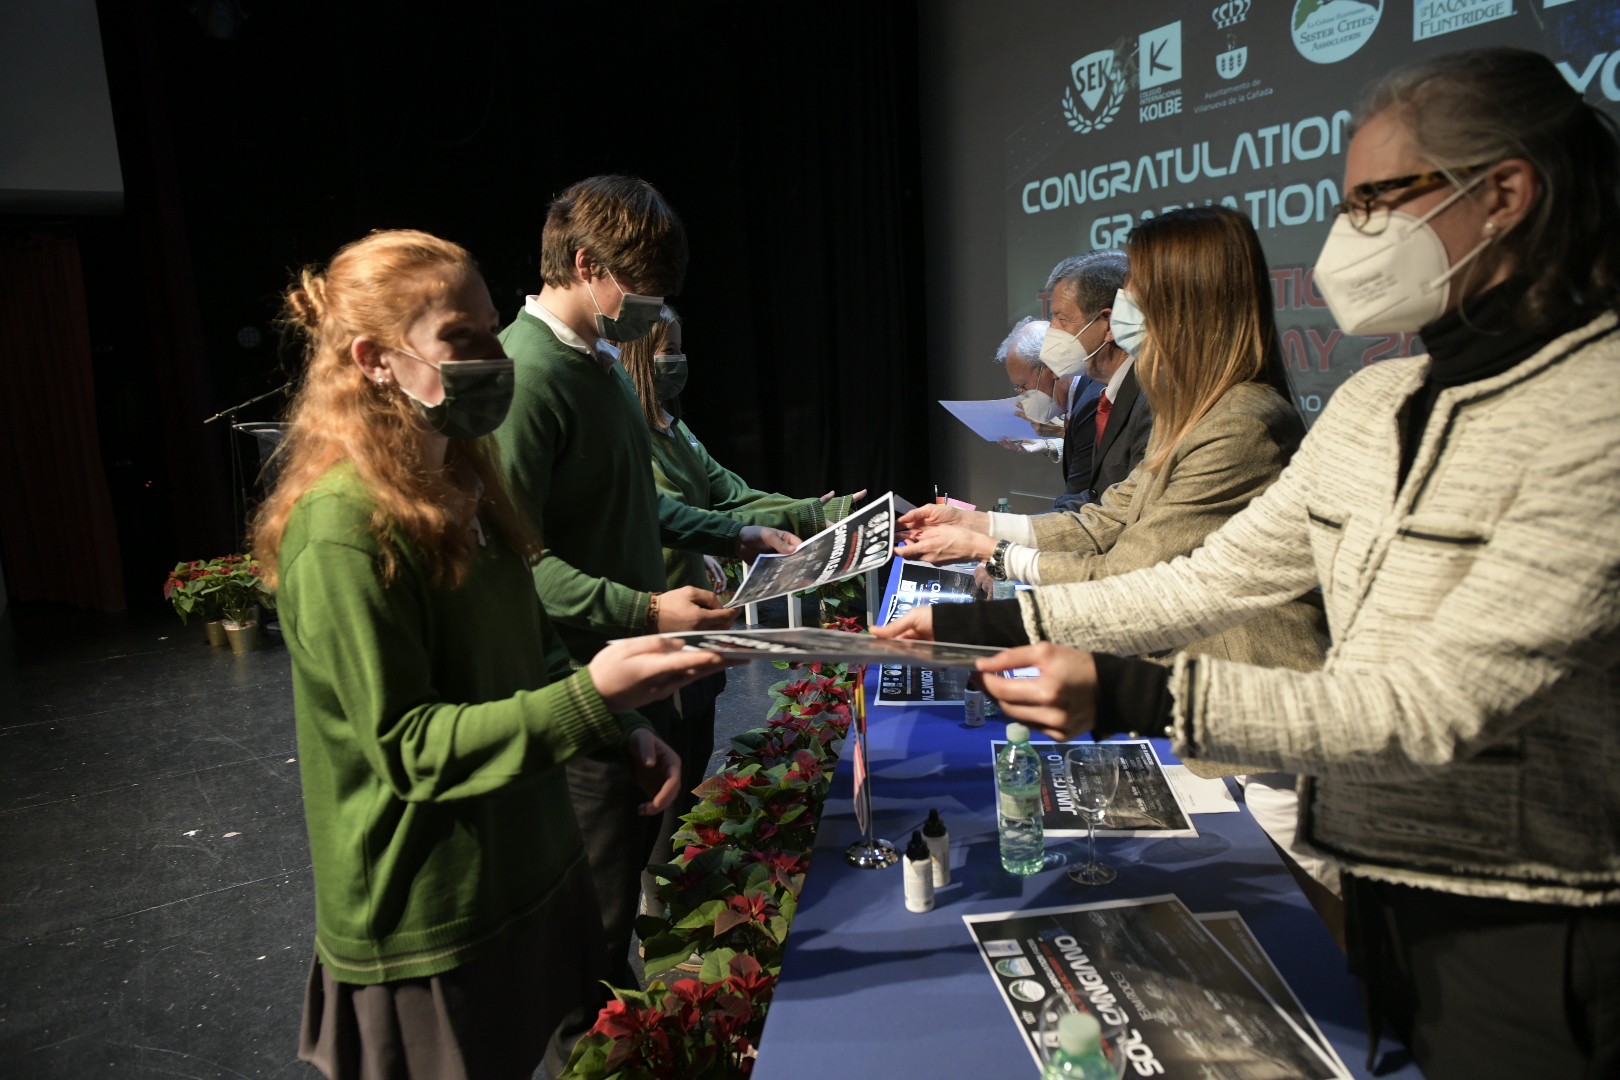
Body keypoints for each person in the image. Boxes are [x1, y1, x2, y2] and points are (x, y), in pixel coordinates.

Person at [880, 48, 1620, 1079]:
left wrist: (1137, 692)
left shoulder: (1599, 412)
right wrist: (988, 627)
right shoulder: (1376, 403)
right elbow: (1213, 578)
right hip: (1386, 886)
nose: (1351, 236)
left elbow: (1437, 703)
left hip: (1540, 933)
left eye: (1378, 199)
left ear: (1503, 195)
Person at [252, 229, 730, 1079]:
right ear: (374, 359)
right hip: (431, 922)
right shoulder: (340, 530)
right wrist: (595, 695)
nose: (493, 359)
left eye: (488, 329)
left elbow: (530, 641)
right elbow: (407, 747)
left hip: (522, 881)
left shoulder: (466, 482)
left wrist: (615, 730)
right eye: (461, 340)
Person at [491, 175, 798, 994]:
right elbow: (517, 564)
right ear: (587, 264)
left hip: (641, 665)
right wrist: (642, 606)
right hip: (586, 678)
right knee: (592, 917)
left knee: (628, 889)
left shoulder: (600, 363)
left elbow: (636, 501)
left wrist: (728, 532)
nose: (652, 316)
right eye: (644, 293)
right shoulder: (525, 376)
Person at [617, 305, 864, 936]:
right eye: (667, 349)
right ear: (640, 353)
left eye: (680, 347)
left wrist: (815, 510)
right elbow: (677, 513)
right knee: (653, 787)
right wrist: (743, 536)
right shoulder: (627, 431)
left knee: (693, 761)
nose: (677, 361)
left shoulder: (674, 427)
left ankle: (668, 890)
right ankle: (646, 906)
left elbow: (733, 496)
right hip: (658, 625)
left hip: (702, 626)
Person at [1043, 251, 1150, 504]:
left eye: (1061, 318)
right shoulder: (1108, 392)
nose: (1051, 330)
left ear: (1110, 325)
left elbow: (1122, 514)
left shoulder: (1153, 402)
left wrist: (995, 536)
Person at [993, 316, 1104, 511]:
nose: (1022, 395)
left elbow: (1078, 499)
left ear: (1050, 368)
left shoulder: (1091, 402)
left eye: (1023, 385)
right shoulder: (1080, 398)